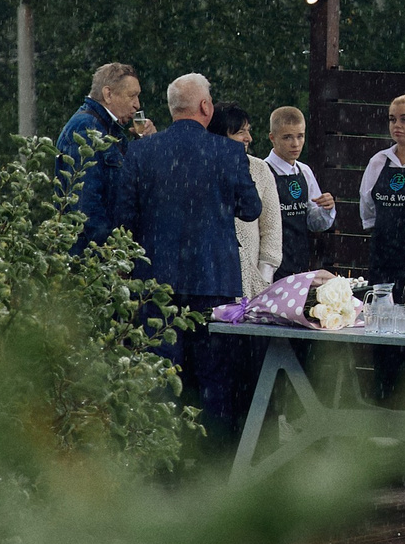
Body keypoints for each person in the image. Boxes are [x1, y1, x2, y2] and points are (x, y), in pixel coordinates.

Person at [99, 72, 260, 440]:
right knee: (215, 380)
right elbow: (251, 208)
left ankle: (161, 460)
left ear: (173, 110)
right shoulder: (228, 152)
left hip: (156, 283)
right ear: (206, 107)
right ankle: (213, 459)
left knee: (161, 378)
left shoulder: (140, 152)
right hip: (214, 282)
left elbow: (124, 219)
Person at [59, 62, 153, 248]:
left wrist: (146, 145)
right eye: (132, 96)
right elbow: (85, 204)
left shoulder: (110, 129)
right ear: (108, 94)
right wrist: (110, 252)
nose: (137, 105)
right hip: (90, 259)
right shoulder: (86, 129)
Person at [208, 103, 285, 298]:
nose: (248, 138)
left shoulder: (259, 169)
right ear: (221, 135)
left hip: (252, 282)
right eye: (241, 132)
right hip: (210, 277)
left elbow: (272, 227)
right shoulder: (202, 167)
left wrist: (263, 278)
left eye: (248, 131)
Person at [358, 94, 405, 299]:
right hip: (383, 256)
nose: (397, 125)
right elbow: (367, 208)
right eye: (392, 119)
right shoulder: (379, 161)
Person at [264, 105, 336, 280]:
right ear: (272, 138)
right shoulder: (263, 171)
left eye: (300, 136)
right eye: (287, 137)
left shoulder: (305, 172)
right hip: (269, 264)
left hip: (300, 260)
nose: (295, 144)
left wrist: (326, 209)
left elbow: (314, 223)